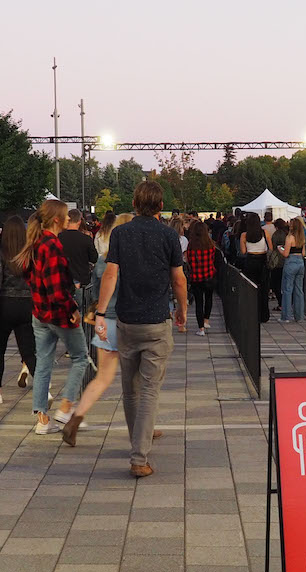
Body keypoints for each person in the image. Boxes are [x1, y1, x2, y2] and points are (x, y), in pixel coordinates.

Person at [94, 181, 188, 478]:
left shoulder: (120, 233)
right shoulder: (169, 235)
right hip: (157, 322)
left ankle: (140, 437)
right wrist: (182, 311)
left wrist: (99, 312)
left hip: (127, 321)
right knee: (149, 390)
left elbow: (110, 274)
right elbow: (178, 280)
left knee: (130, 388)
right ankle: (139, 456)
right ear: (161, 206)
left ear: (134, 204)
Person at [15, 200, 89, 435]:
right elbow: (57, 289)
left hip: (39, 313)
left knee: (44, 363)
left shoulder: (35, 243)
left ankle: (42, 419)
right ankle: (66, 405)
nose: (69, 219)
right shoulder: (51, 245)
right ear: (56, 219)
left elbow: (30, 277)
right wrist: (73, 309)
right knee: (81, 357)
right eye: (66, 216)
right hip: (58, 313)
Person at [61, 213, 129, 446]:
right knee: (140, 380)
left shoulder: (104, 258)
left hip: (105, 321)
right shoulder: (133, 260)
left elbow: (95, 287)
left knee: (102, 378)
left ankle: (76, 417)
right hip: (129, 321)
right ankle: (144, 427)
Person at [0, 216, 37, 404]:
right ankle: (42, 389)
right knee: (28, 350)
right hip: (26, 304)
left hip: (4, 305)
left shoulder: (0, 255)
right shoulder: (31, 254)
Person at [58, 208, 98, 316]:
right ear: (80, 221)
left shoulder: (58, 238)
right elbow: (94, 258)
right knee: (81, 311)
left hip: (62, 281)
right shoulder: (85, 239)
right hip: (82, 279)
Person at [185, 220, 218, 336]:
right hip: (209, 275)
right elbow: (213, 259)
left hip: (196, 277)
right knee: (209, 298)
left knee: (199, 302)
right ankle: (206, 320)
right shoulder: (210, 244)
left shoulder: (191, 245)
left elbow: (188, 260)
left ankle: (201, 328)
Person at [240, 212, 271, 323]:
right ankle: (264, 314)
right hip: (262, 262)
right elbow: (270, 247)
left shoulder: (244, 235)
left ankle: (251, 313)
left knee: (251, 289)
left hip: (250, 261)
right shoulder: (264, 232)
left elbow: (243, 251)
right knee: (263, 289)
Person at [278, 217, 306, 322]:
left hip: (291, 263)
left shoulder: (289, 237)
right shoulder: (302, 238)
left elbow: (285, 254)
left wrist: (279, 249)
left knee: (287, 290)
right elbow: (303, 253)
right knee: (299, 290)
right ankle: (299, 316)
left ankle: (286, 316)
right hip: (300, 263)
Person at [268, 218, 288, 311]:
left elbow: (272, 247)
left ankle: (281, 303)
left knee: (276, 284)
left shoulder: (276, 235)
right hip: (286, 260)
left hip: (277, 261)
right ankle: (287, 303)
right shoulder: (287, 234)